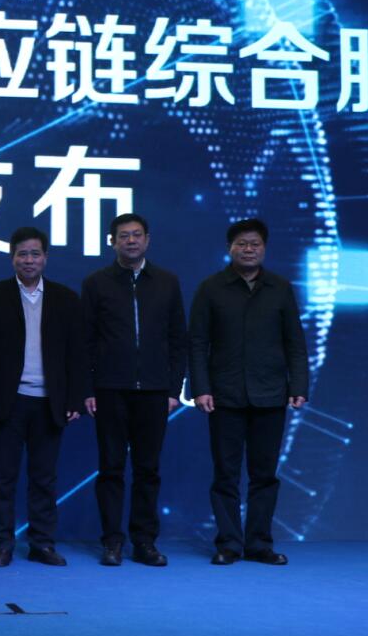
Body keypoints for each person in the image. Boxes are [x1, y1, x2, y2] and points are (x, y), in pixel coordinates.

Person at [188, 218, 309, 566]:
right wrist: (200, 388)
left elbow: (295, 342)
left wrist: (299, 385)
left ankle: (258, 543)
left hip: (270, 394)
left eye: (255, 243)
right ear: (230, 248)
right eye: (241, 243)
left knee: (264, 475)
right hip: (224, 395)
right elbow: (197, 343)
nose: (248, 249)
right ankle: (228, 543)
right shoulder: (211, 288)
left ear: (264, 248)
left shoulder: (280, 288)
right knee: (225, 474)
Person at [0, 226, 87, 567]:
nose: (29, 260)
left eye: (35, 253)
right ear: (12, 259)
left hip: (50, 402)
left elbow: (77, 354)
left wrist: (74, 399)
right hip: (7, 401)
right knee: (2, 478)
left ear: (45, 258)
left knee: (44, 479)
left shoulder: (66, 298)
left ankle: (42, 543)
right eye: (22, 254)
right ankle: (1, 545)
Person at [81, 213, 188, 567]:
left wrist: (173, 389)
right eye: (123, 236)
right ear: (112, 242)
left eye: (137, 235)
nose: (131, 241)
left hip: (155, 390)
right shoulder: (96, 283)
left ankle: (144, 542)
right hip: (110, 388)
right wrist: (89, 388)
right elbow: (86, 341)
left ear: (147, 240)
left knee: (148, 470)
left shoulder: (167, 282)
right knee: (110, 468)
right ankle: (112, 542)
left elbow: (178, 339)